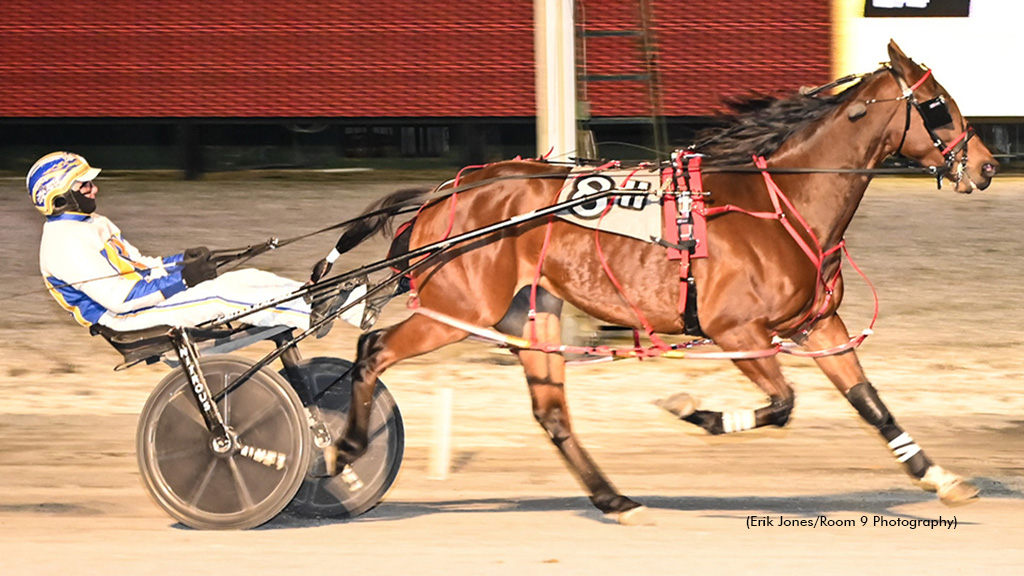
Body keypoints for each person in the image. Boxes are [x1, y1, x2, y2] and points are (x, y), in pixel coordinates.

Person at [28, 151, 365, 336]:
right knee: (220, 295)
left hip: (143, 303)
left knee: (245, 277)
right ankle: (313, 311)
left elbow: (141, 266)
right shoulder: (63, 244)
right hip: (126, 321)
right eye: (85, 186)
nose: (94, 190)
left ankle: (328, 301)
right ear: (59, 197)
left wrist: (181, 261)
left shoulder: (93, 223)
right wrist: (184, 279)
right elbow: (119, 301)